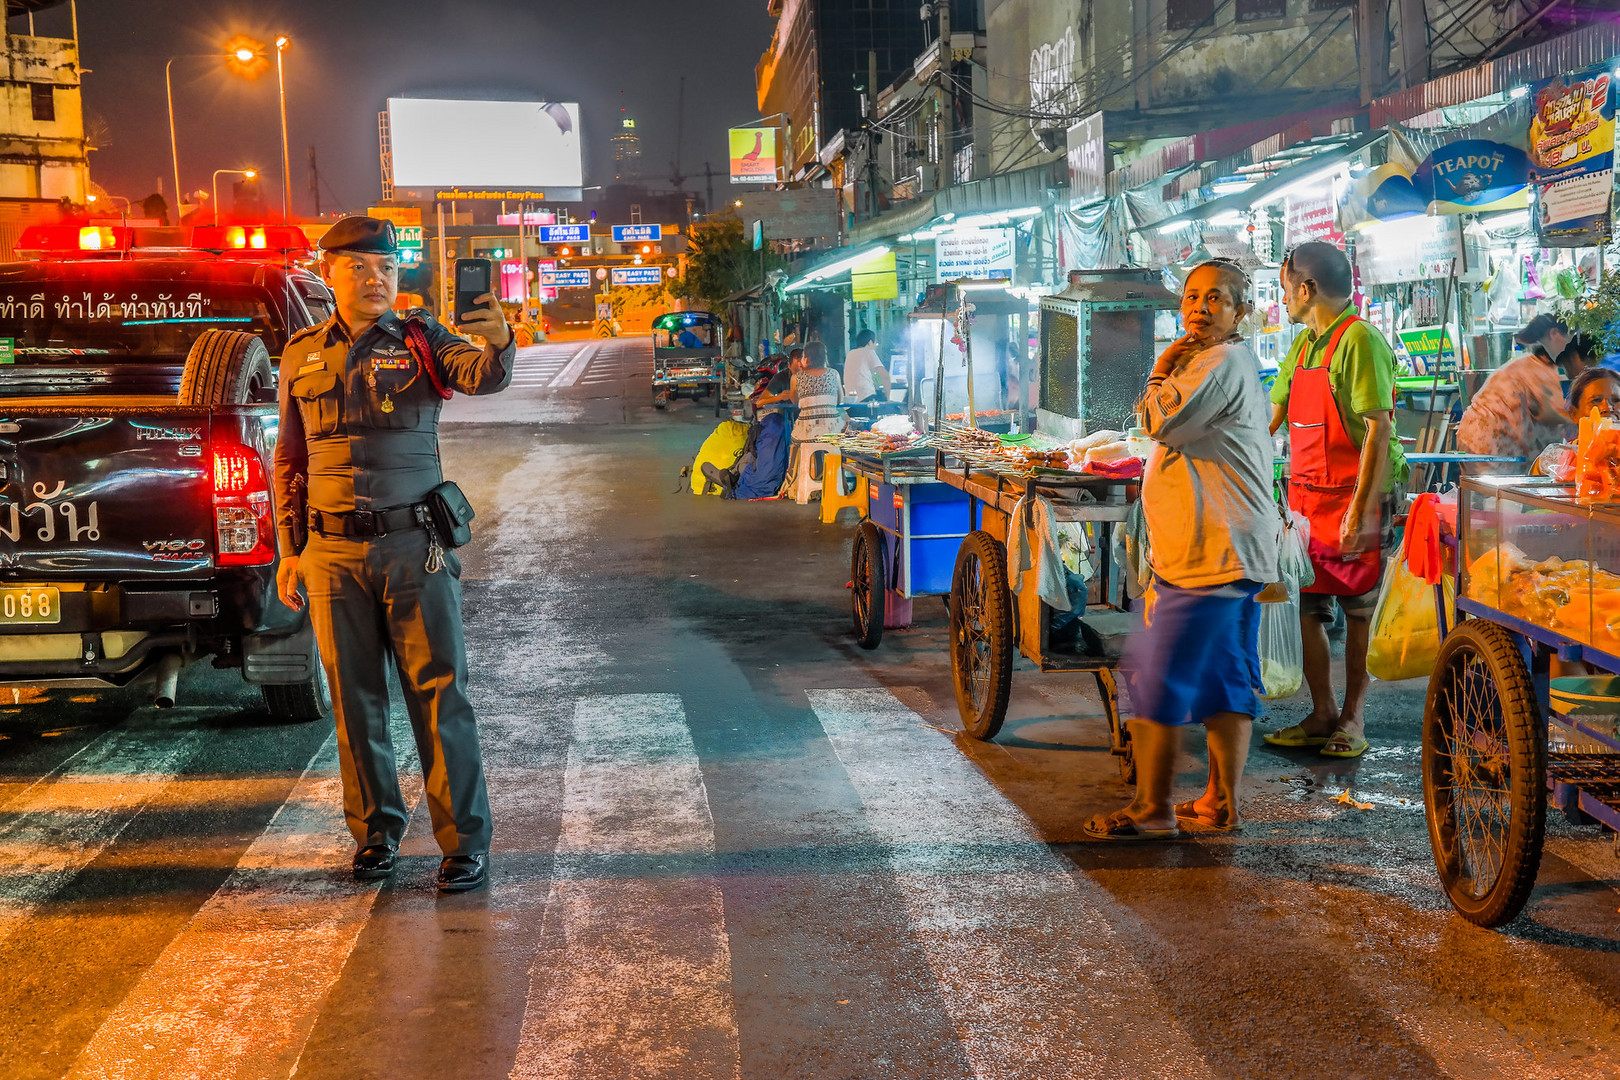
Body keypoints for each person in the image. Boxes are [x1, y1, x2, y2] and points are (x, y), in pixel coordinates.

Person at [272, 215, 514, 893]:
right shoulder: (300, 352)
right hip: (329, 554)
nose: (377, 279)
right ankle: (376, 831)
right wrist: (292, 549)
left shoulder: (423, 339)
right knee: (354, 701)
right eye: (360, 267)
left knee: (440, 695)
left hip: (416, 548)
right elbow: (288, 457)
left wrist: (497, 343)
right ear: (328, 271)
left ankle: (464, 842)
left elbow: (481, 376)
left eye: (387, 267)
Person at [1084, 260, 1278, 840]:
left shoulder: (1218, 363)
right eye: (1192, 297)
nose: (1199, 308)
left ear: (1241, 312)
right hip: (1220, 550)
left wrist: (1157, 370)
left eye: (1215, 299)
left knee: (1153, 675)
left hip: (1210, 553)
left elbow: (1158, 423)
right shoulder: (1216, 361)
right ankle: (1220, 801)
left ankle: (1152, 808)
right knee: (1225, 678)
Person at [1265, 241, 1406, 761]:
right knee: (1307, 603)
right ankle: (1322, 711)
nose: (1282, 300)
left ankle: (1353, 717)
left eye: (1285, 290)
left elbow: (1378, 429)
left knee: (1360, 607)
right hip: (1306, 497)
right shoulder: (1304, 345)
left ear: (1308, 289)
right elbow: (1272, 417)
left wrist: (1358, 510)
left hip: (1358, 493)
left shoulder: (1360, 341)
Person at [1456, 319, 1574, 473]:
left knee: (1480, 495)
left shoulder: (1530, 364)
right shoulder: (1539, 370)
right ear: (1554, 334)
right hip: (1487, 442)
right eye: (1569, 339)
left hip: (1472, 437)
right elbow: (1550, 412)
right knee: (1490, 495)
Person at [776, 341, 845, 504]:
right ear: (824, 357)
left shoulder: (796, 377)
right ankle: (837, 486)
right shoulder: (833, 373)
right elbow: (840, 400)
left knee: (795, 443)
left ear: (807, 358)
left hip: (806, 430)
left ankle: (799, 487)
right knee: (837, 441)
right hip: (832, 430)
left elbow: (795, 400)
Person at [1517, 313, 1584, 381]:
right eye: (1570, 340)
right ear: (1554, 333)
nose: (1573, 347)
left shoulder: (1543, 363)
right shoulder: (1534, 371)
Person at [843, 329, 891, 404]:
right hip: (866, 399)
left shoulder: (850, 354)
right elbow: (885, 377)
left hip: (850, 402)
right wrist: (887, 399)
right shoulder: (869, 352)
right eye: (875, 342)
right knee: (896, 409)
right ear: (870, 342)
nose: (876, 345)